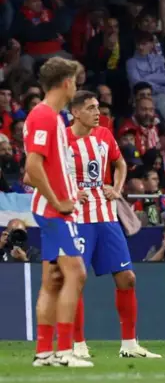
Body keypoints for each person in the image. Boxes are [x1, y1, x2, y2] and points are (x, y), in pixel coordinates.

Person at [66, 90, 160, 360]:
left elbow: (119, 163)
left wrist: (116, 188)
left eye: (98, 107)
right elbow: (39, 174)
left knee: (127, 278)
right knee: (76, 281)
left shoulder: (105, 135)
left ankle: (129, 345)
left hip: (106, 217)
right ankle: (78, 345)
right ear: (75, 112)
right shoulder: (61, 140)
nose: (98, 113)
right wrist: (69, 195)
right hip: (76, 219)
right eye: (91, 108)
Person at [24, 57, 90, 367]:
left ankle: (43, 353)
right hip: (54, 212)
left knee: (52, 280)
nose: (76, 86)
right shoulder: (45, 116)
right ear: (66, 83)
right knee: (75, 274)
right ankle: (65, 352)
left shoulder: (51, 118)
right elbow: (31, 166)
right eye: (75, 81)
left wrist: (68, 191)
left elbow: (35, 170)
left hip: (55, 208)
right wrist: (59, 200)